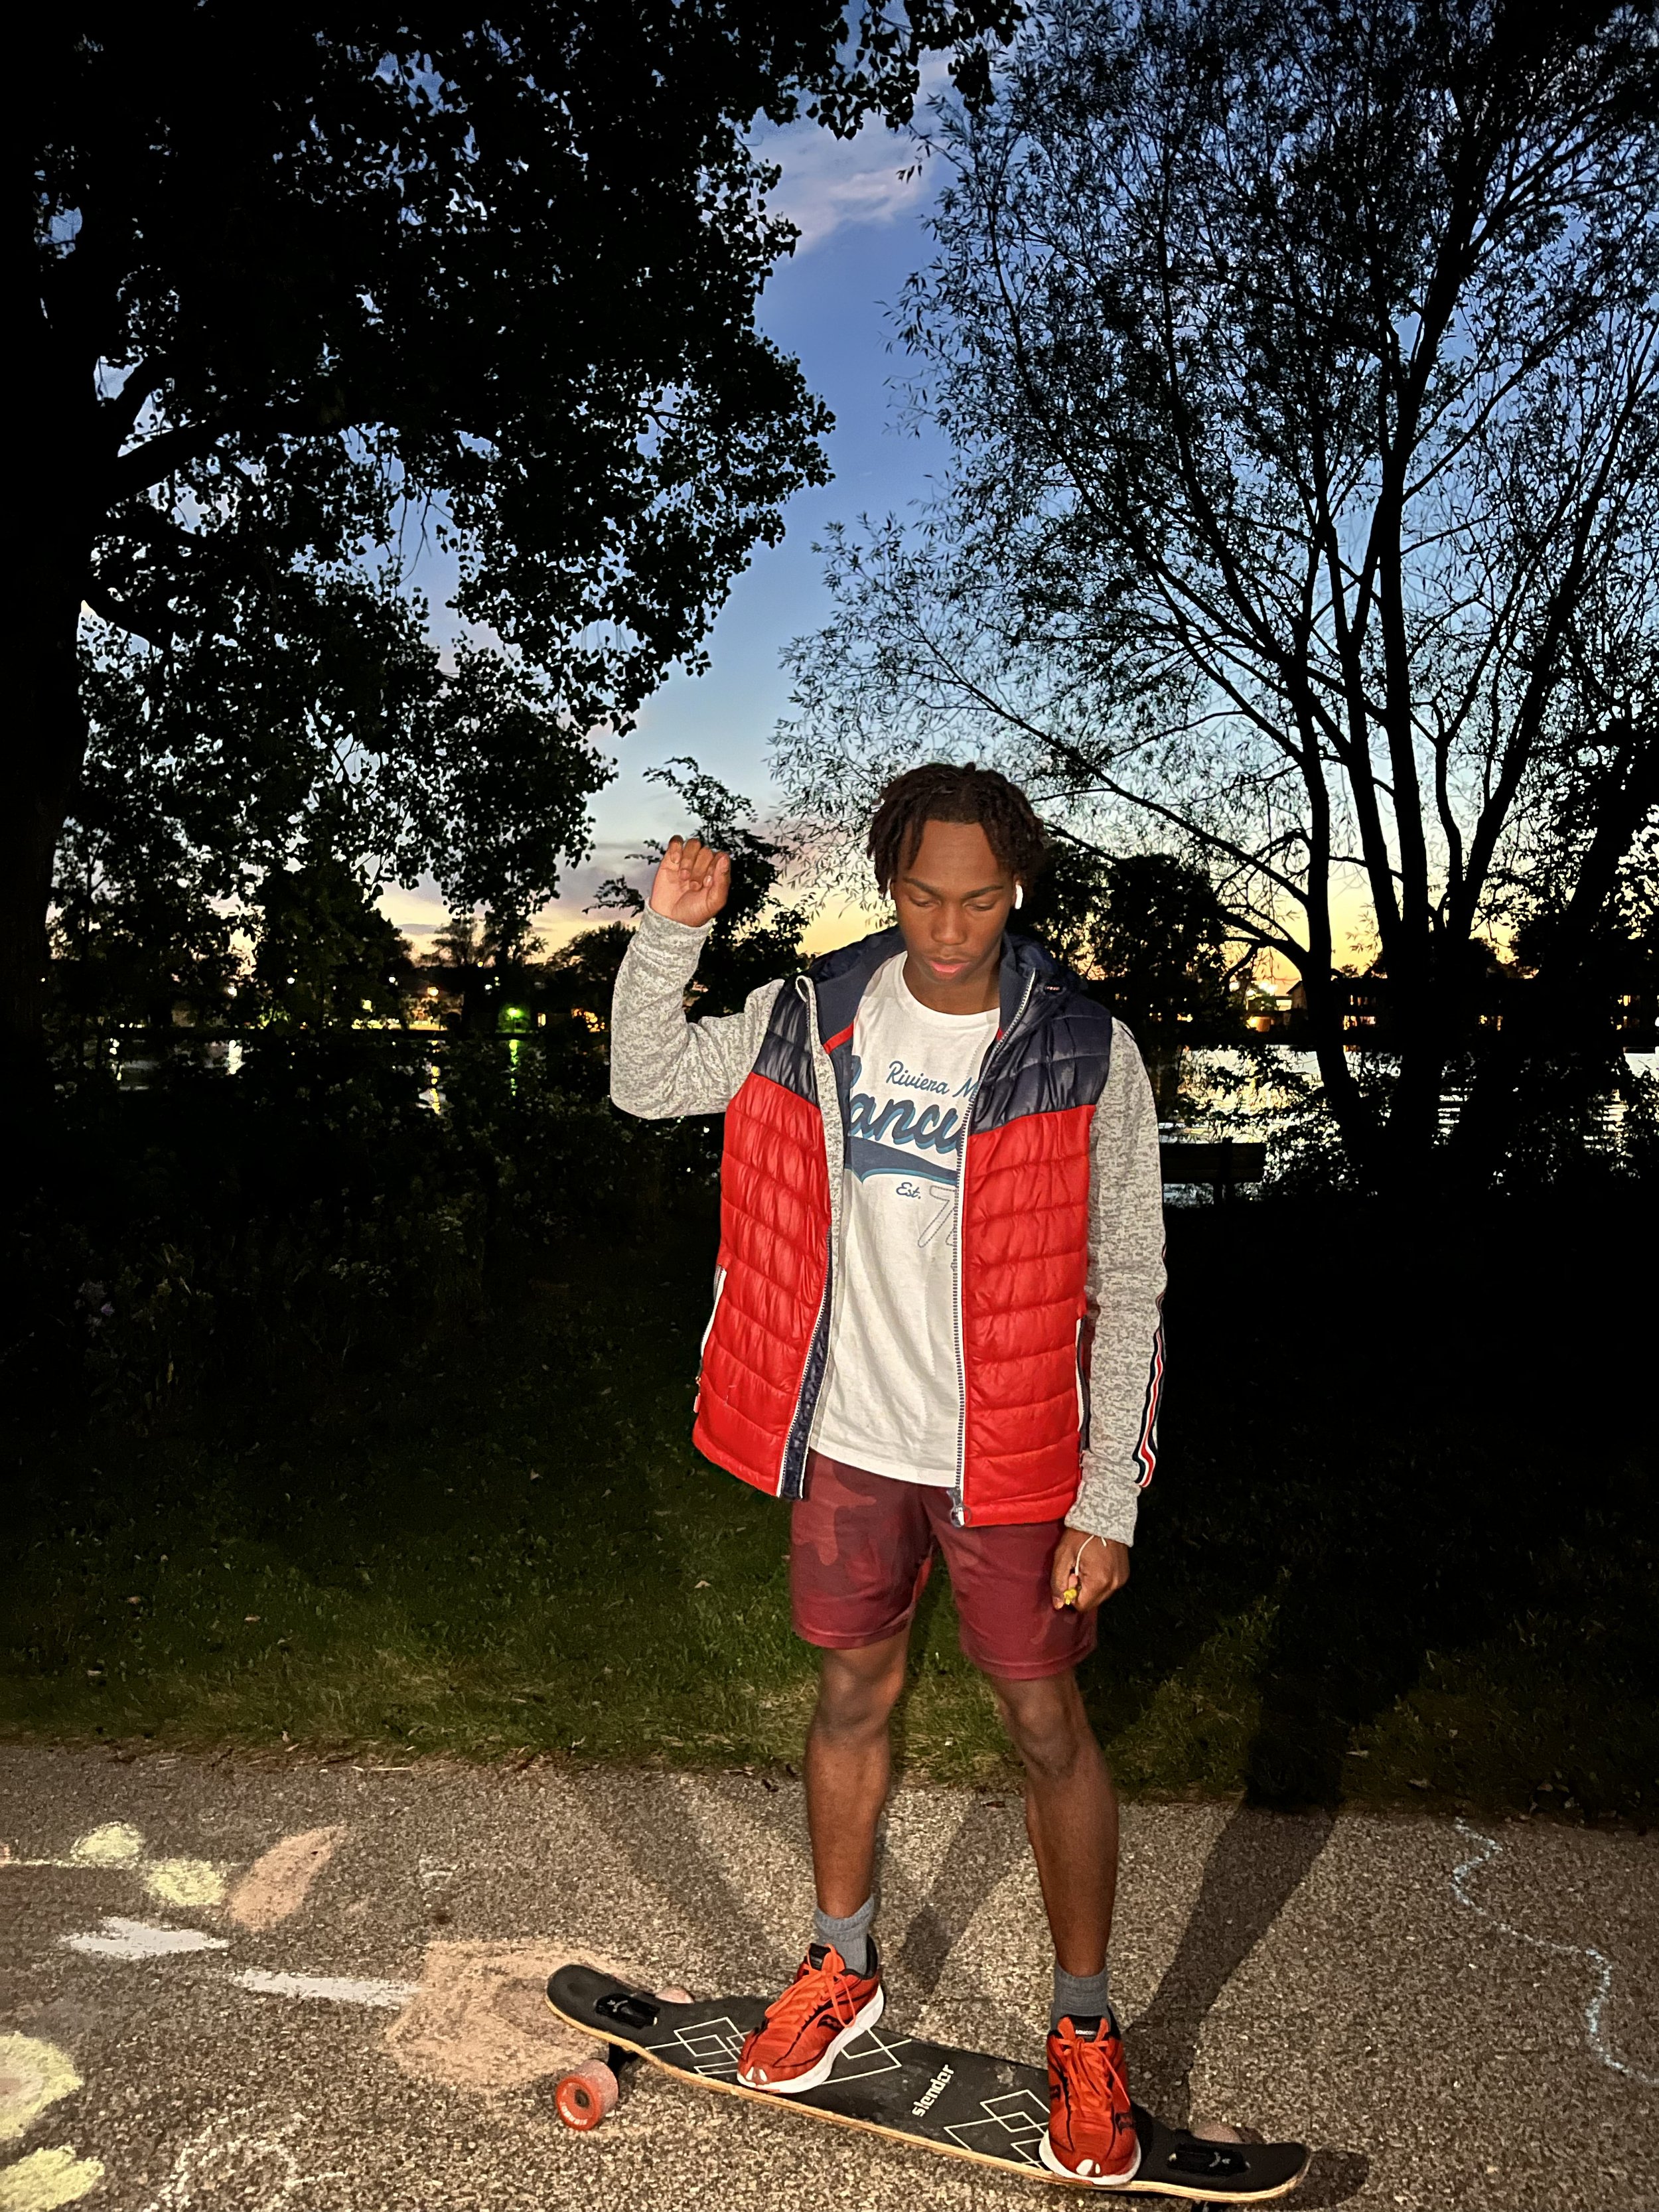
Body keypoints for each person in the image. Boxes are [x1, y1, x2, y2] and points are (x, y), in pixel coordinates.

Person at [609, 763, 1165, 2187]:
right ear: (889, 878)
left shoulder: (1083, 1047)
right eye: (924, 891)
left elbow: (1132, 1280)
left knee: (1045, 1724)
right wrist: (667, 934)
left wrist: (1108, 1493)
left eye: (979, 896)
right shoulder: (812, 1012)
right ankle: (839, 1969)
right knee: (850, 1691)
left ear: (1016, 887)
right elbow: (646, 1081)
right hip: (850, 1437)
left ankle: (1084, 2031)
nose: (949, 925)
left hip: (1015, 1454)